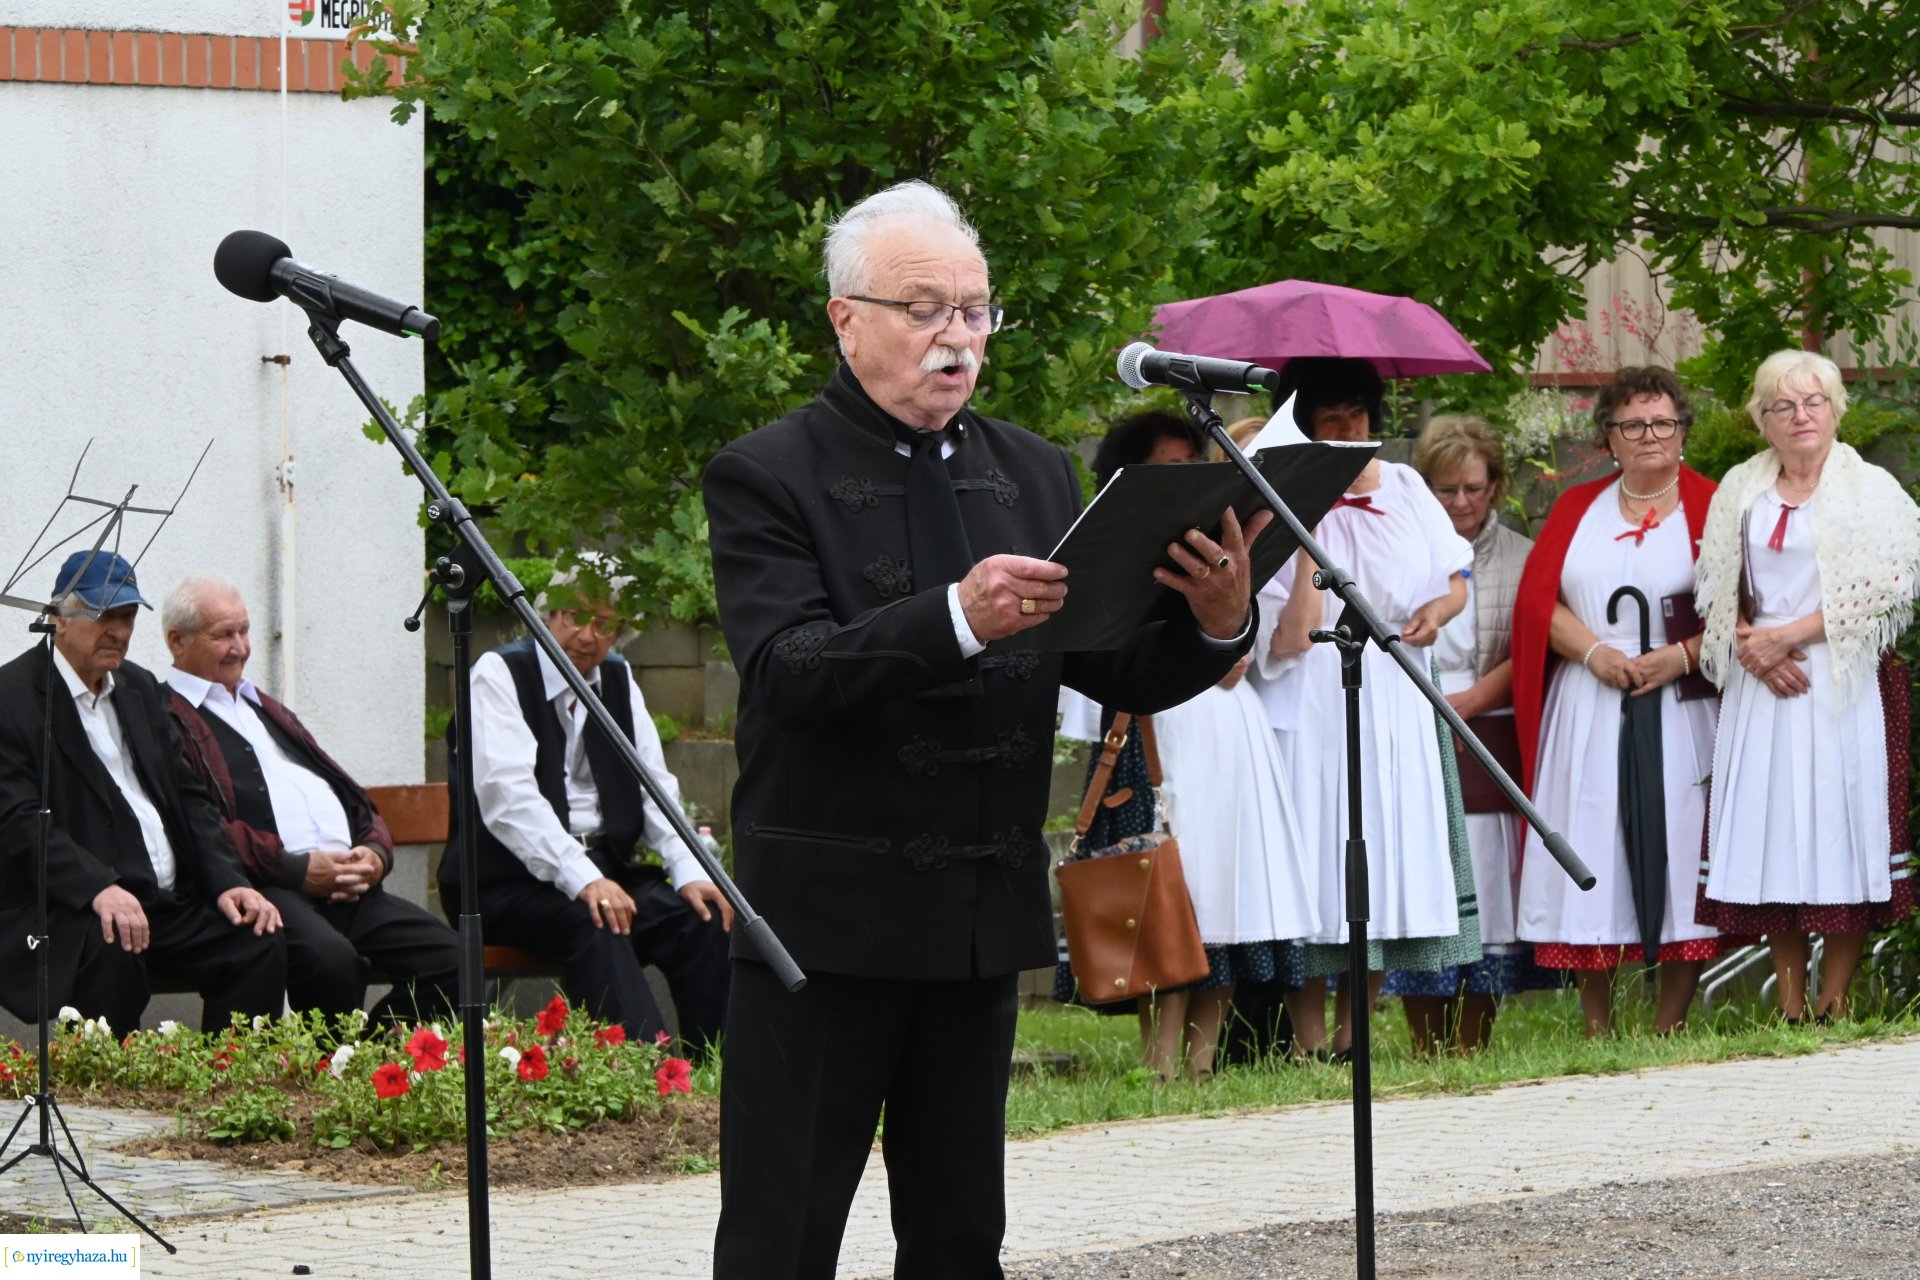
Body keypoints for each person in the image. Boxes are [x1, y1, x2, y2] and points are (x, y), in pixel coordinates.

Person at [703, 180, 1263, 1280]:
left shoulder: (1034, 469)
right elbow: (786, 670)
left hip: (974, 910)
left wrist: (1215, 620)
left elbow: (1111, 666)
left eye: (973, 309)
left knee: (961, 1235)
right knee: (784, 1230)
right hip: (827, 922)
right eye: (925, 309)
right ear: (845, 317)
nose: (955, 336)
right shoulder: (767, 473)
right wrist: (958, 617)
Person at [1262, 358, 1481, 1058]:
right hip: (1318, 689)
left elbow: (1454, 580)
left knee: (1389, 846)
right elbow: (1287, 638)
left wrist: (1435, 614)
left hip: (1395, 680)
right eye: (1331, 416)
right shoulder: (1276, 493)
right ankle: (1306, 1036)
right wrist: (1302, 537)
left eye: (1357, 413)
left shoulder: (1409, 485)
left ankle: (1358, 1028)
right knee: (1320, 847)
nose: (1349, 427)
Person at [1694, 350, 1920, 1022]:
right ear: (1762, 421)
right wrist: (1751, 645)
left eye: (1813, 401)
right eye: (1782, 406)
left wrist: (1789, 634)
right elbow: (1715, 578)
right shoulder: (1740, 486)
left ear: (1834, 409)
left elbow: (1892, 588)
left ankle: (1834, 999)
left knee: (1843, 826)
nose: (1800, 416)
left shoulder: (1871, 487)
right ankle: (1790, 1004)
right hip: (1762, 684)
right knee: (1773, 833)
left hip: (1841, 680)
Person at [446, 559, 731, 1052]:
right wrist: (584, 878)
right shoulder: (500, 674)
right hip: (505, 882)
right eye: (575, 616)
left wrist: (689, 869)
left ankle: (721, 1066)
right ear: (548, 615)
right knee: (595, 919)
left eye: (605, 625)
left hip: (604, 868)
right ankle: (646, 1071)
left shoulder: (619, 680)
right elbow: (508, 800)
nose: (587, 635)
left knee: (700, 917)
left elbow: (654, 786)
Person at [1512, 367, 1721, 1036]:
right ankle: (1596, 1022)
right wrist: (1596, 653)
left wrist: (1681, 655)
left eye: (1663, 422)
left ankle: (1670, 1020)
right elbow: (1539, 603)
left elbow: (1749, 606)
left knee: (1685, 839)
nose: (1649, 436)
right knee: (1591, 837)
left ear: (1683, 430)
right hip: (1591, 699)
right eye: (1632, 424)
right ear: (1609, 436)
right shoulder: (1577, 508)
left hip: (1684, 702)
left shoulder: (1714, 505)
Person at [0, 551, 285, 1034]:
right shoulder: (13, 697)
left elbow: (189, 796)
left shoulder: (138, 687)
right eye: (102, 615)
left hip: (168, 901)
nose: (118, 630)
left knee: (256, 937)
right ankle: (110, 1098)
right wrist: (97, 886)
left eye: (127, 616)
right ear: (58, 620)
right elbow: (18, 819)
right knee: (110, 941)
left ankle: (229, 1088)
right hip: (74, 906)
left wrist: (228, 880)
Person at [162, 575, 460, 1027]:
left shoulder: (262, 705)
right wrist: (298, 870)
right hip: (268, 888)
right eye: (223, 635)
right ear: (176, 641)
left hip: (350, 886)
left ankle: (367, 1061)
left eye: (244, 631)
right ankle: (324, 1075)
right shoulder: (167, 716)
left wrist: (375, 853)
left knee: (456, 963)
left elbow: (349, 793)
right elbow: (197, 825)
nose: (240, 647)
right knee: (332, 963)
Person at [1383, 414, 1556, 1052]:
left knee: (1483, 887)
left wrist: (1472, 701)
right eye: (1446, 490)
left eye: (1474, 489)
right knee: (1420, 878)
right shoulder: (1403, 547)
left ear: (1497, 487)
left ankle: (1473, 1042)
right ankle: (1425, 1042)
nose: (1461, 503)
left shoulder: (1520, 555)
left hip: (1487, 732)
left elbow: (1535, 646)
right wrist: (1427, 708)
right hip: (1411, 724)